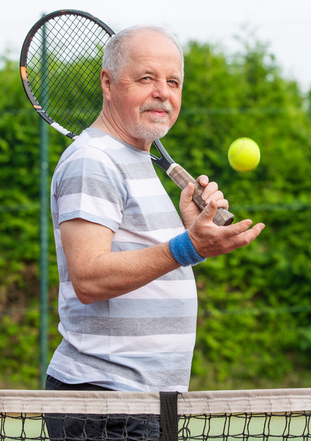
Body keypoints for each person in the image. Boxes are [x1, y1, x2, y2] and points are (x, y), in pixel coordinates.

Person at [44, 25, 264, 439]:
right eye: (146, 78)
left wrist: (188, 232)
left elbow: (152, 259)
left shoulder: (135, 159)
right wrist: (187, 246)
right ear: (108, 84)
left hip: (145, 403)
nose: (163, 92)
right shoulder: (92, 160)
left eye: (173, 81)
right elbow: (89, 278)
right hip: (104, 406)